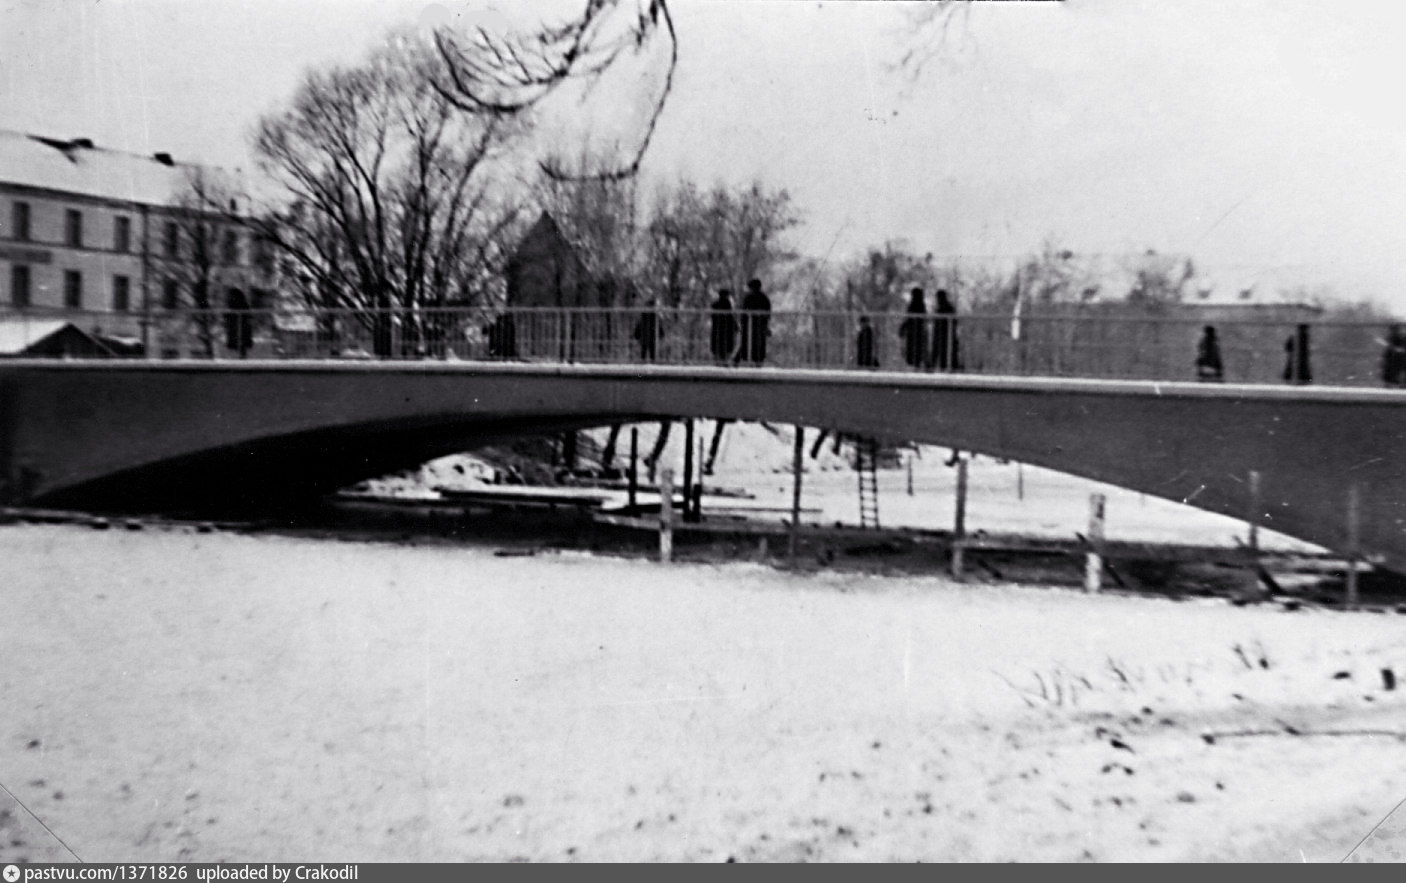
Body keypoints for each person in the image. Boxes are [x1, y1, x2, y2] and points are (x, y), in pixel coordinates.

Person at [738, 278, 772, 365]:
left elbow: (744, 312)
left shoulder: (749, 297)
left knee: (749, 344)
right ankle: (757, 363)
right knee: (758, 345)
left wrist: (742, 324)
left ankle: (751, 362)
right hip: (759, 326)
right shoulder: (764, 298)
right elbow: (768, 314)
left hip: (752, 326)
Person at [898, 287, 928, 370]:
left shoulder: (914, 305)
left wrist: (903, 328)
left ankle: (916, 366)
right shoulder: (922, 306)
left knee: (913, 351)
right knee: (916, 351)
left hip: (913, 332)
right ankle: (917, 366)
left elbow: (909, 319)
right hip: (916, 332)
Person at [931, 288, 959, 371]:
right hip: (940, 336)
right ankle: (937, 367)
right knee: (941, 354)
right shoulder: (940, 309)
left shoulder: (948, 308)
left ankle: (949, 369)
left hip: (946, 336)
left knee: (947, 353)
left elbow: (954, 321)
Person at [709, 289, 737, 364]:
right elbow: (731, 316)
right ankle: (724, 362)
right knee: (726, 347)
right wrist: (735, 326)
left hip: (717, 330)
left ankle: (718, 362)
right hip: (726, 330)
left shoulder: (715, 305)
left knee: (718, 347)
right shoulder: (728, 305)